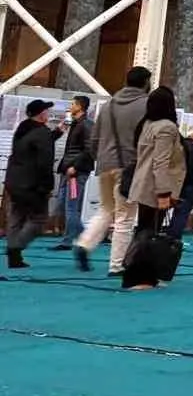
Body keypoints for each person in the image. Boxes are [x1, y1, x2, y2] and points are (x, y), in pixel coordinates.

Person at [74, 66, 151, 274]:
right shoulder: (146, 105)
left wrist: (102, 157)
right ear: (146, 82)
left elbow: (95, 140)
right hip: (129, 167)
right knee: (125, 216)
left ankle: (84, 243)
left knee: (106, 209)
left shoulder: (108, 105)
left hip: (105, 164)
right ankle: (116, 265)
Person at [124, 86, 187, 288]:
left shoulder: (147, 124)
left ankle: (140, 274)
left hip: (142, 183)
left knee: (144, 229)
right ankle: (140, 275)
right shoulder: (167, 127)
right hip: (155, 186)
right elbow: (161, 162)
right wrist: (164, 193)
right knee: (149, 233)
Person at [4, 100, 57, 268]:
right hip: (32, 185)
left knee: (16, 218)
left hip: (14, 181)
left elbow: (30, 148)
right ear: (41, 114)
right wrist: (47, 186)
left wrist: (55, 135)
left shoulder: (23, 129)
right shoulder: (42, 133)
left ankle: (14, 258)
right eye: (47, 111)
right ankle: (16, 246)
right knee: (39, 219)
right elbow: (44, 162)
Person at [51, 95, 94, 251]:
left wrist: (76, 166)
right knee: (62, 204)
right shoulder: (75, 124)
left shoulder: (86, 125)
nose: (70, 106)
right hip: (67, 169)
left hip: (76, 172)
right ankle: (85, 235)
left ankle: (70, 240)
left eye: (72, 104)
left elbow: (90, 149)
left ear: (80, 106)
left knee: (71, 205)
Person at [166, 126, 193, 241]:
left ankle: (170, 235)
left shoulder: (181, 144)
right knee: (182, 212)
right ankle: (175, 238)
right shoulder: (192, 147)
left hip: (178, 183)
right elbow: (191, 166)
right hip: (188, 184)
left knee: (177, 211)